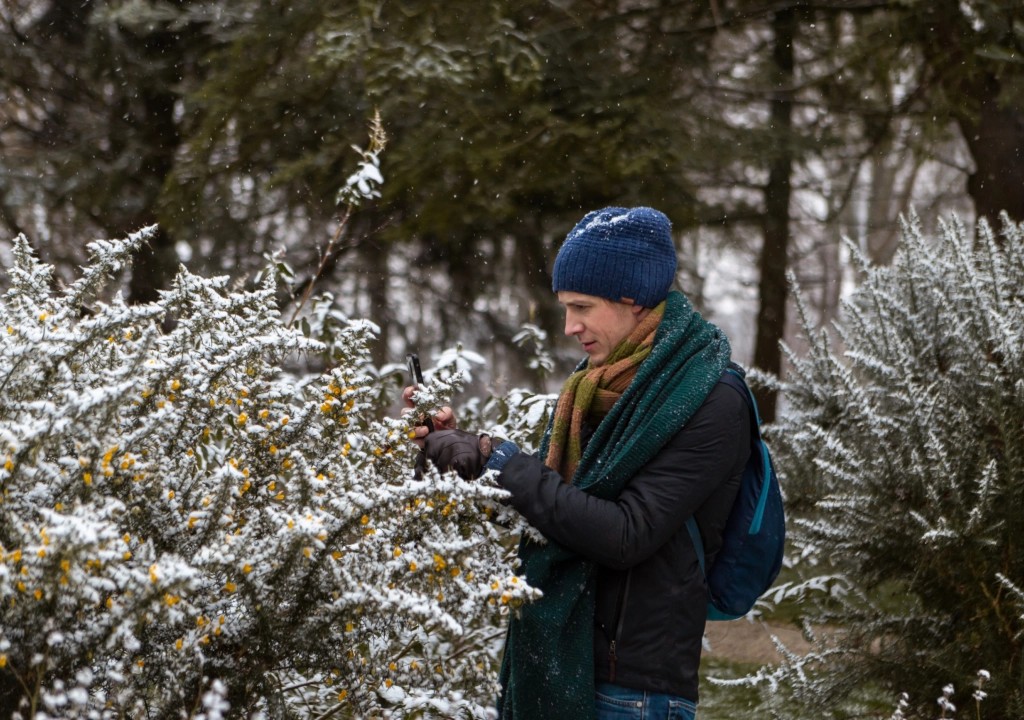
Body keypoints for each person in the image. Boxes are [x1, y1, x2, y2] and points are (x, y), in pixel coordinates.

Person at [403, 206, 750, 720]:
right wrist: (466, 455)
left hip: (633, 693)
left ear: (632, 298)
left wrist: (500, 459)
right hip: (558, 663)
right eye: (566, 307)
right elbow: (555, 512)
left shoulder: (711, 397)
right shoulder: (595, 386)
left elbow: (624, 534)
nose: (569, 326)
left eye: (582, 306)